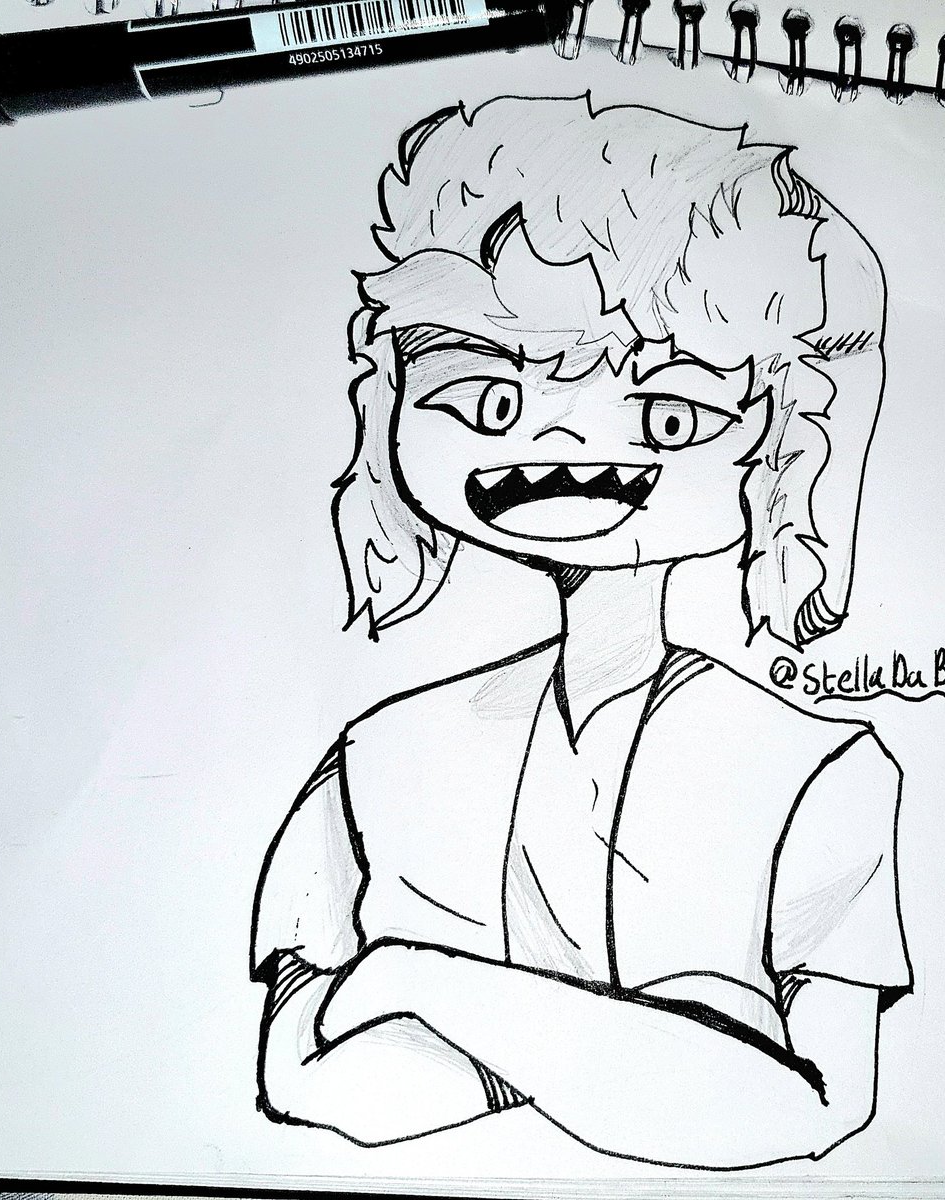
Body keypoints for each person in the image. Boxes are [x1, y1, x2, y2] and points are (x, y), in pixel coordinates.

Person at [250, 94, 910, 1169]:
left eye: (667, 415)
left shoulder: (817, 768)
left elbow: (816, 1108)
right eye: (490, 401)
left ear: (788, 436)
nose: (559, 442)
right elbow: (313, 1081)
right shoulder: (375, 757)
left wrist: (426, 983)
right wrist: (648, 1057)